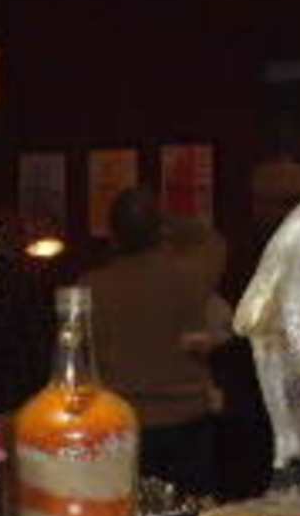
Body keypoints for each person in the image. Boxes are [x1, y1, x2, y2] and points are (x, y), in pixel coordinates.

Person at [84, 188, 220, 498]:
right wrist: (167, 222)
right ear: (160, 231)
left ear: (113, 236)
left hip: (120, 421)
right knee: (190, 514)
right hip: (186, 418)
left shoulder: (91, 287)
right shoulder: (191, 276)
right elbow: (211, 239)